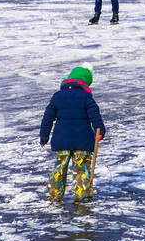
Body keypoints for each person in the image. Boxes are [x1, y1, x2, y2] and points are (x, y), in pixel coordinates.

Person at [40, 63, 105, 204]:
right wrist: (100, 131)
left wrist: (44, 137)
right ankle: (82, 196)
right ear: (85, 83)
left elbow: (48, 118)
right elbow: (95, 116)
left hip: (61, 140)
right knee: (81, 169)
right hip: (82, 141)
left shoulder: (57, 96)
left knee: (60, 167)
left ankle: (54, 194)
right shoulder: (87, 97)